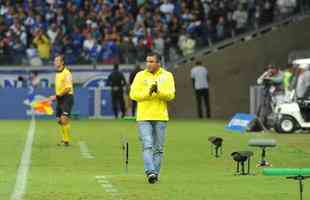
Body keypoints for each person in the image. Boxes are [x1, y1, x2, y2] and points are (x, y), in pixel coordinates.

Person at [129, 52, 175, 184]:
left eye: (151, 61)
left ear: (158, 63)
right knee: (147, 145)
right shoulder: (140, 75)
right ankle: (150, 171)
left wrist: (158, 92)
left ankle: (155, 174)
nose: (148, 64)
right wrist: (148, 93)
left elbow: (171, 95)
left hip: (160, 116)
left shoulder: (167, 76)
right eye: (147, 61)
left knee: (159, 148)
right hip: (144, 116)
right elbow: (133, 95)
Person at [49, 55, 74, 146]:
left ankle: (65, 140)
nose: (54, 62)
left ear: (62, 62)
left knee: (64, 119)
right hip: (60, 98)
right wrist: (56, 97)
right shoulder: (57, 73)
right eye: (54, 61)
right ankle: (65, 139)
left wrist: (56, 96)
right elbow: (59, 89)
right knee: (59, 120)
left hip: (67, 98)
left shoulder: (67, 73)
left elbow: (68, 88)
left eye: (57, 61)